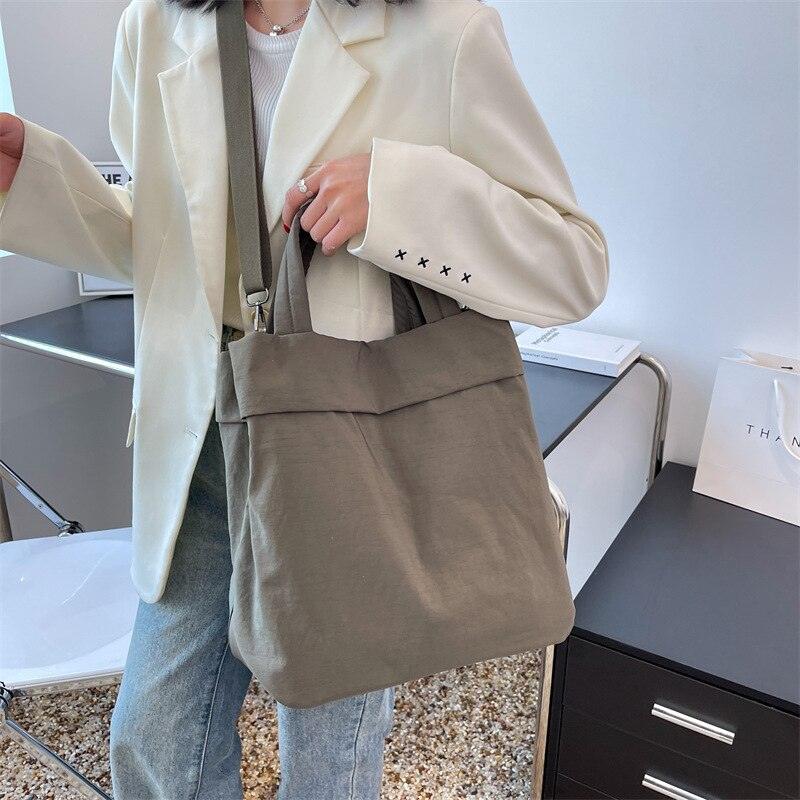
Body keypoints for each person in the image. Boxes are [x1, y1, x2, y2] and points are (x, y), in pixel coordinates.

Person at [0, 0, 609, 796]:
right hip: (202, 440)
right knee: (155, 739)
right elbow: (160, 239)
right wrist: (36, 183)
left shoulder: (445, 30)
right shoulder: (153, 26)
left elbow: (571, 264)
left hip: (345, 443)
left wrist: (399, 199)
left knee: (326, 762)